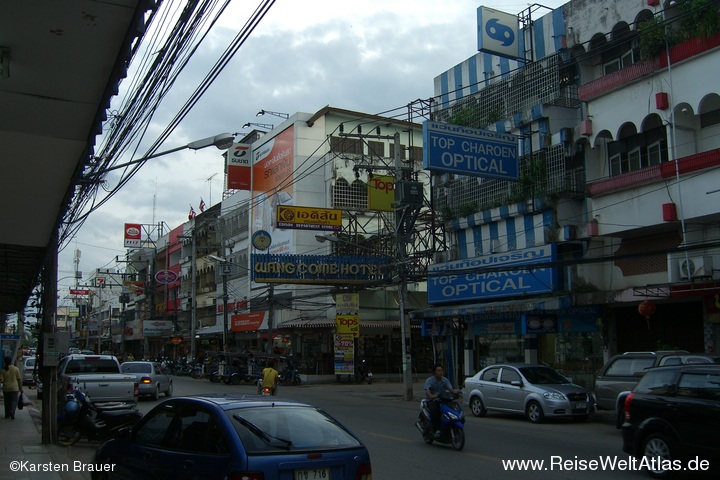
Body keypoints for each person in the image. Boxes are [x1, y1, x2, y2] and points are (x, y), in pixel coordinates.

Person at [424, 363, 459, 437]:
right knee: (435, 411)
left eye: (441, 370)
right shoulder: (429, 381)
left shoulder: (445, 380)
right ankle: (436, 429)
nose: (440, 372)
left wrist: (457, 392)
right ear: (434, 372)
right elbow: (427, 390)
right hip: (432, 400)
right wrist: (431, 396)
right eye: (438, 370)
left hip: (443, 399)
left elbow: (450, 389)